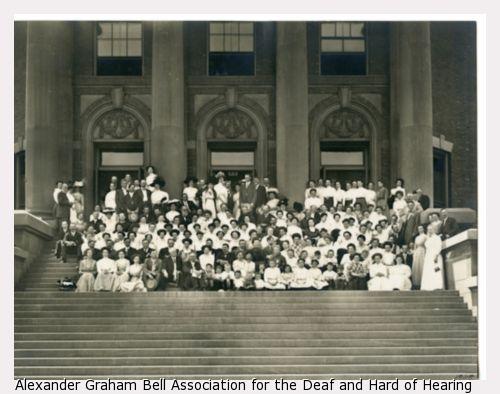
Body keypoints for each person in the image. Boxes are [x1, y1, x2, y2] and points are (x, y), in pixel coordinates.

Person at [421, 226, 444, 290]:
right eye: (428, 229)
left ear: (434, 230)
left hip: (435, 256)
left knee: (436, 270)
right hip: (428, 256)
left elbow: (439, 246)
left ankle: (437, 286)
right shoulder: (428, 238)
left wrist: (436, 255)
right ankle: (429, 286)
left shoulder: (437, 237)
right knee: (429, 271)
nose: (429, 231)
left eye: (431, 229)